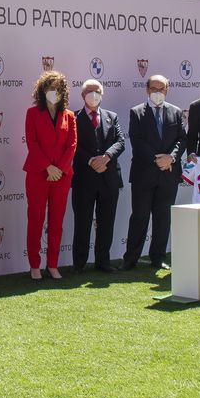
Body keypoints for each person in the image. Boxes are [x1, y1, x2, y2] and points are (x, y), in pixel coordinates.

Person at [122, 75, 185, 271]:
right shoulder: (137, 112)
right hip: (144, 173)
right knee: (140, 216)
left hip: (169, 173)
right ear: (147, 90)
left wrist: (171, 158)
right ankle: (130, 259)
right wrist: (158, 160)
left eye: (162, 88)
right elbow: (137, 140)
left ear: (167, 90)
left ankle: (158, 258)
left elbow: (182, 139)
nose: (158, 92)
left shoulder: (176, 112)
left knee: (163, 218)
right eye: (154, 88)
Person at [24, 70, 76, 280]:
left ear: (63, 92)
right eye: (49, 88)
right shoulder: (32, 113)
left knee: (56, 221)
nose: (53, 92)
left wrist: (60, 168)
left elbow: (72, 144)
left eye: (57, 89)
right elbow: (32, 143)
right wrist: (48, 167)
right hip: (38, 174)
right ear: (42, 90)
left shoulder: (69, 116)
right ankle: (35, 265)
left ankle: (52, 264)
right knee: (35, 219)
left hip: (62, 176)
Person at [71, 78, 124, 274]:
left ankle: (103, 261)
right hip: (84, 179)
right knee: (82, 222)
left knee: (106, 222)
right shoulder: (73, 118)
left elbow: (120, 142)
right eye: (89, 91)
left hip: (108, 178)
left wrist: (106, 157)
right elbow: (73, 145)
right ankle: (79, 264)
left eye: (97, 91)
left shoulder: (112, 116)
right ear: (82, 95)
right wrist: (92, 161)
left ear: (102, 94)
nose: (94, 95)